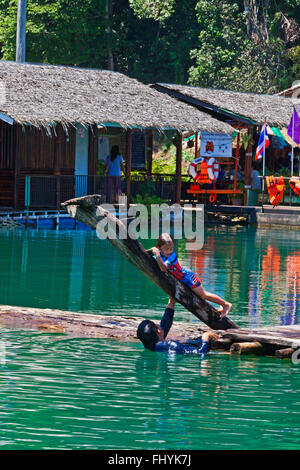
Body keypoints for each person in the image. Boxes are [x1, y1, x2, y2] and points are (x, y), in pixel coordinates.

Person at [150, 233, 232, 318]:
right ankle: (221, 304)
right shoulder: (159, 254)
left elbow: (164, 268)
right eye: (166, 249)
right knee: (172, 300)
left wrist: (157, 255)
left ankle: (225, 304)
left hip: (187, 277)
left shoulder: (172, 256)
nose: (169, 251)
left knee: (203, 295)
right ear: (159, 248)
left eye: (171, 249)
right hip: (177, 280)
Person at [137, 297, 219, 354]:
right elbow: (200, 353)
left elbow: (164, 326)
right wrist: (206, 337)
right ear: (158, 331)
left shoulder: (151, 345)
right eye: (156, 324)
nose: (159, 324)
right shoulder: (172, 345)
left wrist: (171, 303)